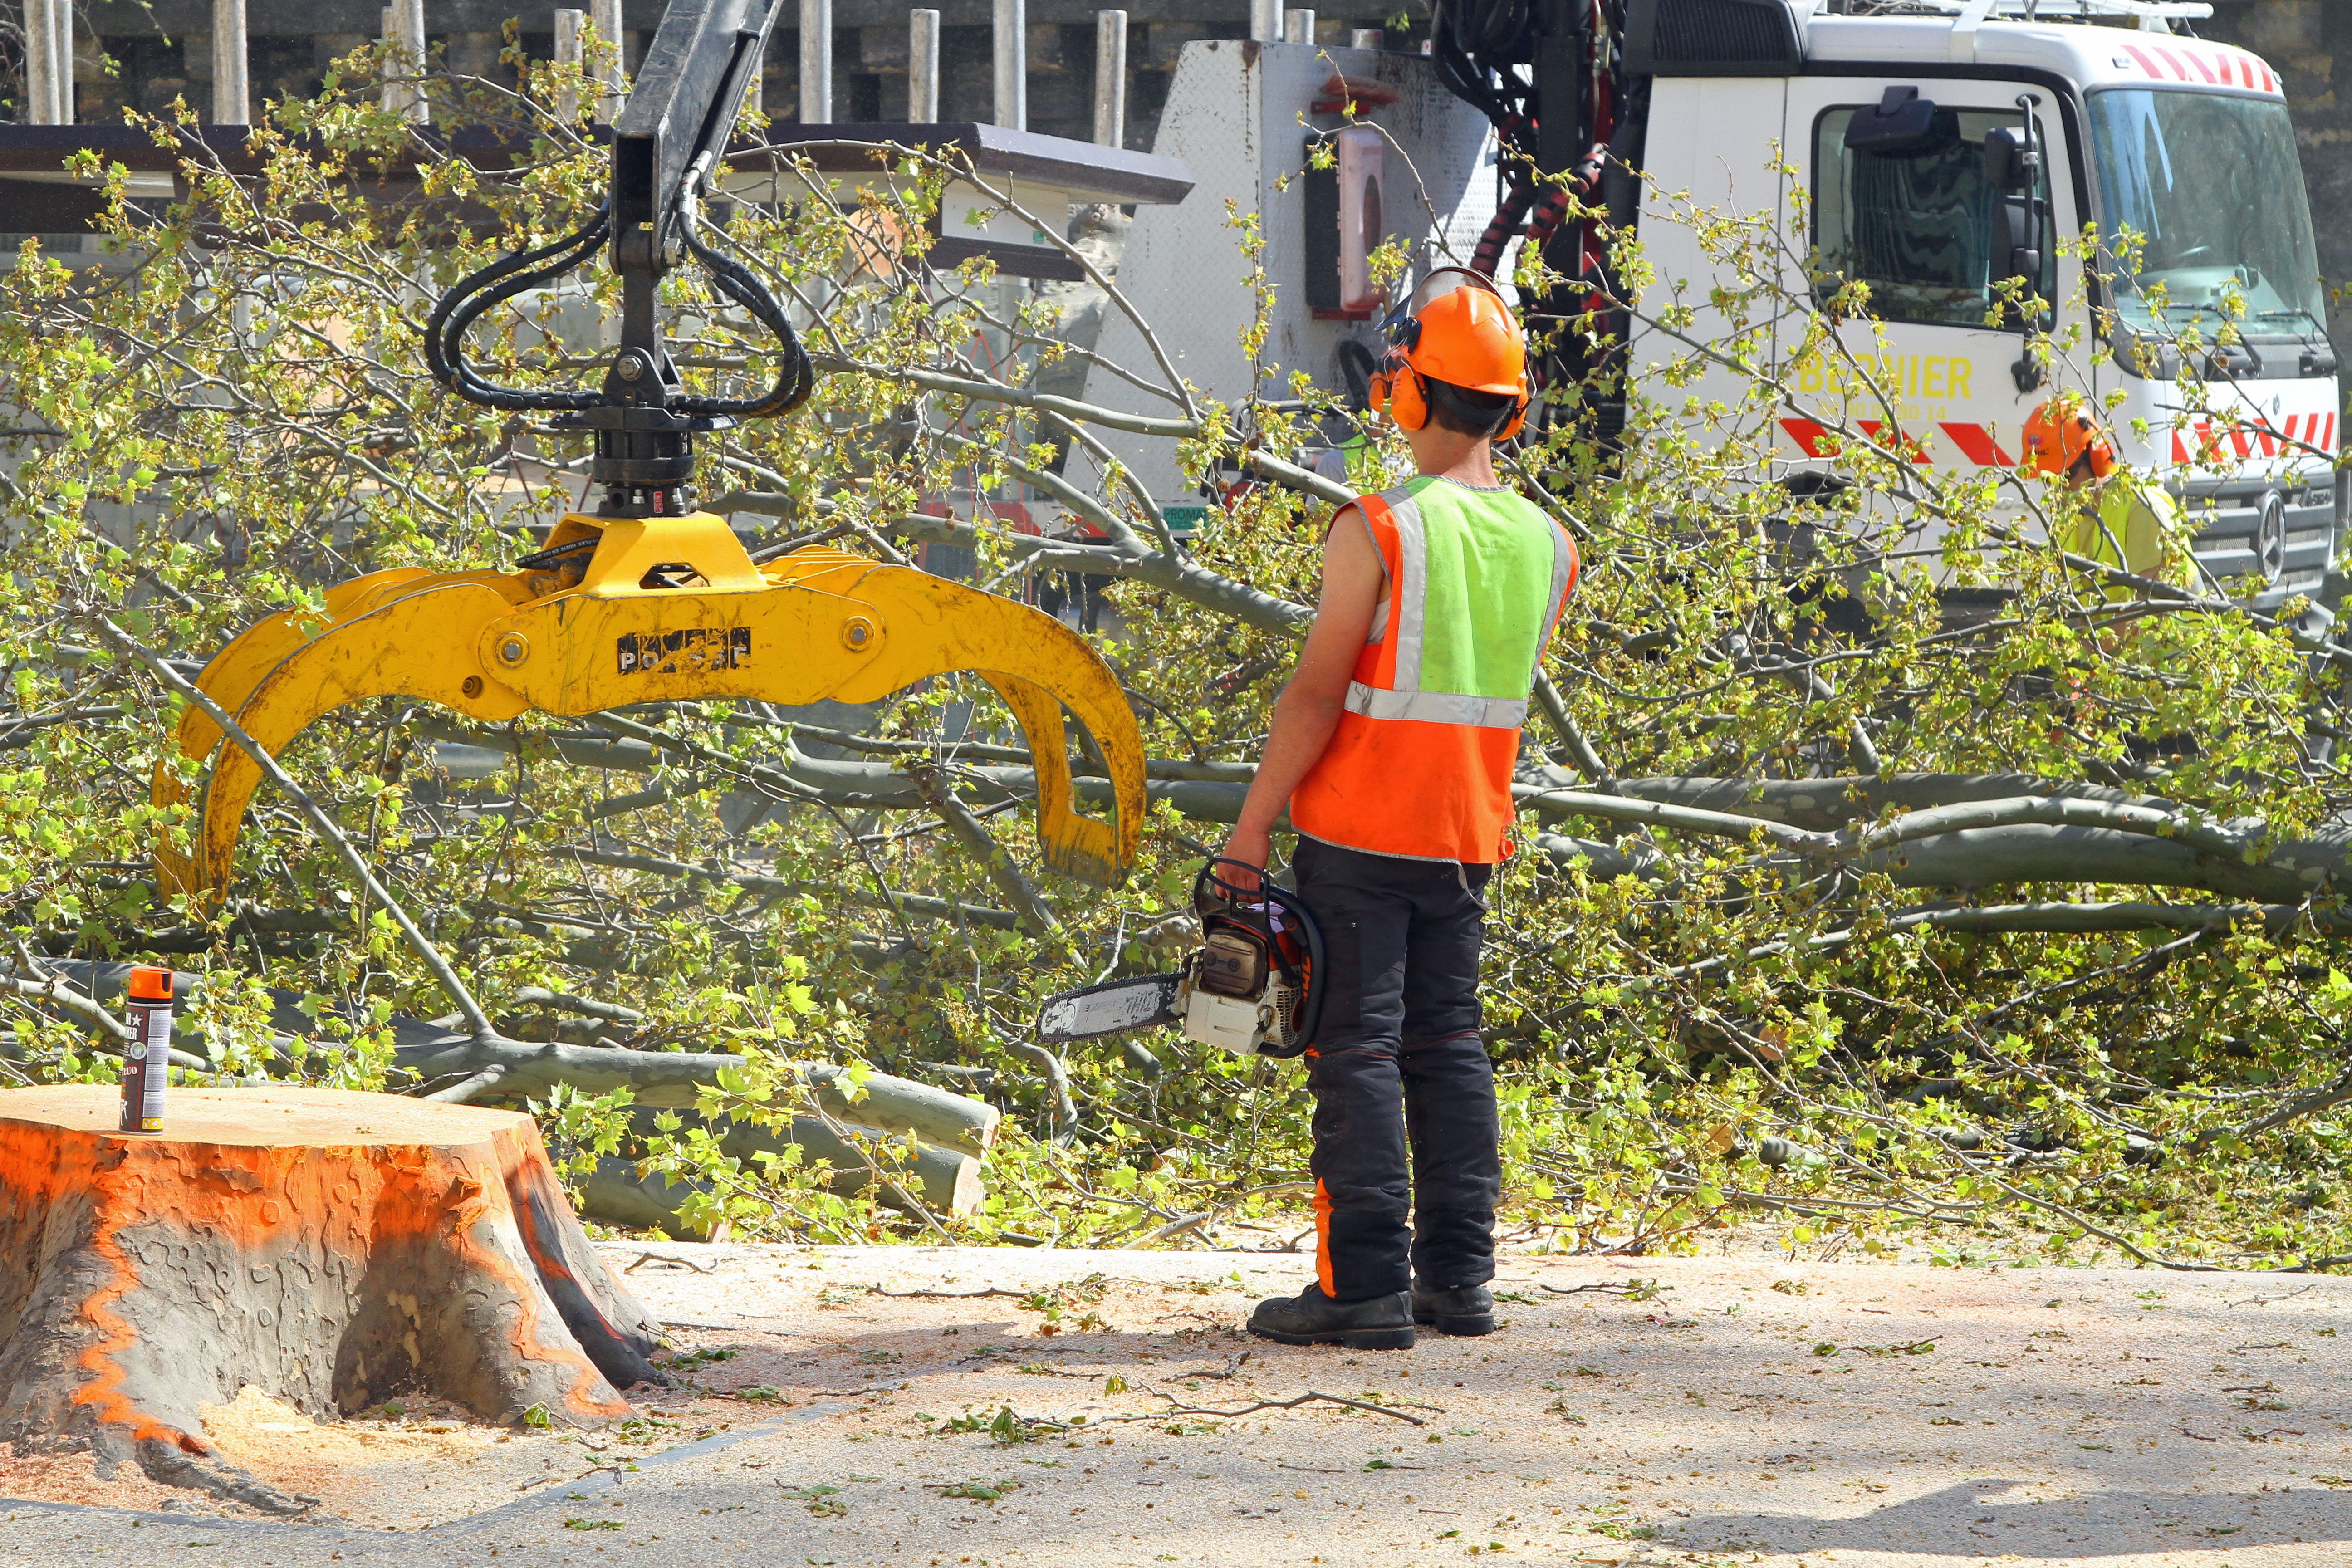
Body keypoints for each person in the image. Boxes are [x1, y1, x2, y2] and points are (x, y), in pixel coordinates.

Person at [1218, 272, 1578, 1351]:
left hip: (1359, 831)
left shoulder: (1376, 526)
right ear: (1511, 410)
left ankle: (1362, 1283)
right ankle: (1457, 1278)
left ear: (1404, 394)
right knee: (1448, 1044)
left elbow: (1316, 694)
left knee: (1356, 1049)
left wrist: (1247, 832)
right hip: (1466, 836)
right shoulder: (1552, 546)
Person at [2020, 396, 2180, 598]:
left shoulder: (2143, 508)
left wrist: (2091, 630)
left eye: (2065, 477)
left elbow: (2149, 613)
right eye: (2049, 480)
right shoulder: (2069, 518)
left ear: (2097, 456)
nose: (2058, 489)